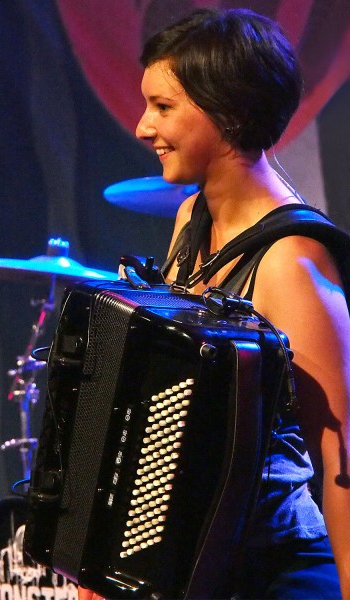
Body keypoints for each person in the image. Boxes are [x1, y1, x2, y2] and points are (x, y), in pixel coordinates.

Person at [79, 8, 350, 599]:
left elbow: (341, 462)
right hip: (197, 568)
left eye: (163, 106)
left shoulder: (292, 262)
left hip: (275, 572)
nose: (141, 127)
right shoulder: (189, 218)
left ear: (228, 111)